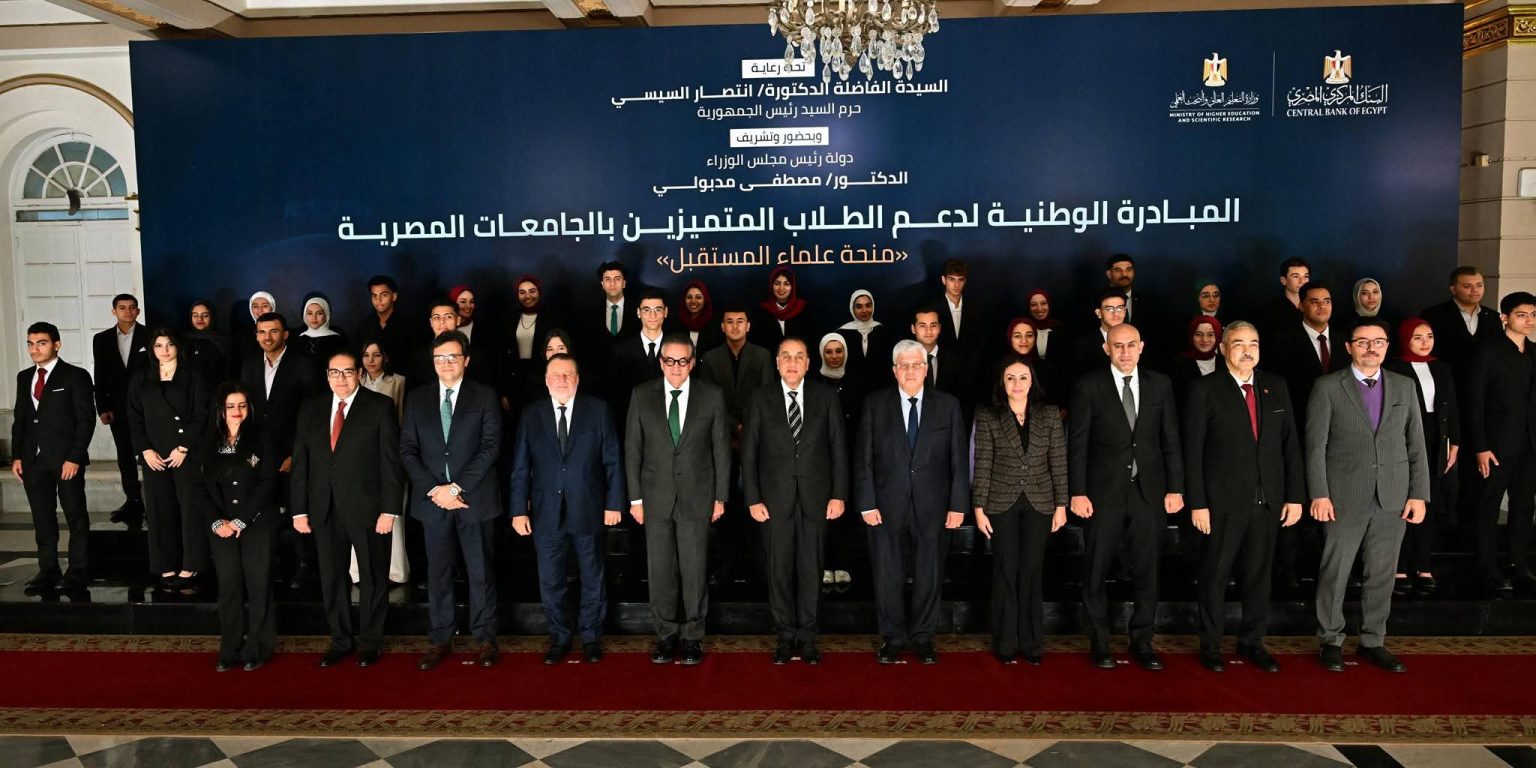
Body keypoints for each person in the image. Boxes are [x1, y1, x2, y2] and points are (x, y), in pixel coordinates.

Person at [1182, 321, 1304, 673]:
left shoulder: (1275, 386)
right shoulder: (1204, 389)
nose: (1247, 350)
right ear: (1223, 349)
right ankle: (1211, 645)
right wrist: (1198, 503)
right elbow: (1193, 452)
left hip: (1267, 501)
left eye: (1254, 343)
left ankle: (1252, 642)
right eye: (1238, 344)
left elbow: (1290, 445)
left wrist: (1295, 496)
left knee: (1258, 576)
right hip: (1221, 502)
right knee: (1215, 575)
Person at [1308, 319, 1429, 674]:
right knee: (1335, 572)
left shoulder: (1404, 386)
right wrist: (1319, 494)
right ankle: (1330, 640)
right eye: (1362, 342)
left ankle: (1373, 640)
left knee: (1382, 574)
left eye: (1378, 341)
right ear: (1349, 347)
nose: (1371, 348)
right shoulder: (1328, 387)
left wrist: (1419, 494)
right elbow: (1315, 447)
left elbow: (1416, 444)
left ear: (1388, 346)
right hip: (1342, 497)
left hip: (1393, 497)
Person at [1068, 323, 1184, 671]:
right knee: (1096, 568)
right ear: (1106, 348)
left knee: (1148, 569)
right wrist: (1077, 492)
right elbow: (1077, 444)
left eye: (1131, 345)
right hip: (1102, 493)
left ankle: (1142, 641)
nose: (1125, 352)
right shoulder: (1088, 386)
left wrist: (1176, 487)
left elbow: (1170, 439)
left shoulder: (1160, 384)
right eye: (1117, 346)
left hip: (1149, 491)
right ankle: (1100, 642)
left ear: (1141, 346)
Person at [855, 339, 968, 664]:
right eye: (903, 365)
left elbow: (959, 460)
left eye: (916, 364)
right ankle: (892, 638)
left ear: (926, 368)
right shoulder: (875, 404)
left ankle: (923, 638)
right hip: (885, 506)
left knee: (928, 575)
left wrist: (958, 504)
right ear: (894, 370)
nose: (910, 371)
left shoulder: (948, 405)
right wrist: (867, 502)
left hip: (934, 506)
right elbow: (863, 458)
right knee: (887, 574)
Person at [291, 350, 404, 669]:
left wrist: (389, 510)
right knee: (332, 578)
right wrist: (299, 510)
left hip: (369, 510)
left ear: (359, 374)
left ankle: (370, 642)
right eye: (334, 372)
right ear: (326, 375)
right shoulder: (310, 408)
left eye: (347, 372)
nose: (340, 379)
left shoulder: (379, 406)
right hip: (323, 510)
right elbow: (301, 462)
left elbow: (391, 462)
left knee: (373, 577)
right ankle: (340, 640)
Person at [510, 353, 625, 665]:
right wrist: (518, 509)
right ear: (546, 381)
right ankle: (559, 638)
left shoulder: (598, 410)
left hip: (589, 508)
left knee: (593, 576)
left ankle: (591, 638)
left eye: (568, 375)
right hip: (545, 512)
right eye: (556, 375)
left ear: (577, 379)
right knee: (551, 580)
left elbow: (612, 460)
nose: (562, 380)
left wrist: (614, 503)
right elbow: (520, 467)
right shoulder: (531, 414)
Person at [741, 337, 849, 664]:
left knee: (811, 570)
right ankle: (785, 637)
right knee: (779, 571)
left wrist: (839, 494)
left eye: (798, 356)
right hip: (773, 502)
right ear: (776, 363)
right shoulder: (760, 398)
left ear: (808, 363)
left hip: (817, 499)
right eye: (786, 356)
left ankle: (808, 636)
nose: (792, 362)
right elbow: (749, 453)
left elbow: (838, 450)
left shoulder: (826, 397)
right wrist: (753, 498)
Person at [625, 334, 731, 666]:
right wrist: (635, 499)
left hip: (697, 497)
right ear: (661, 363)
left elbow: (721, 450)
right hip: (654, 498)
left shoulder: (711, 396)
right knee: (660, 570)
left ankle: (692, 637)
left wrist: (720, 497)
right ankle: (666, 635)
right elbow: (632, 450)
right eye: (669, 361)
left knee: (695, 569)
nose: (675, 367)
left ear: (692, 363)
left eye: (682, 361)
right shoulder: (641, 395)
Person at [400, 331, 503, 670]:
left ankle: (485, 638)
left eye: (453, 357)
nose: (446, 363)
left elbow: (490, 447)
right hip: (433, 502)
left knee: (480, 571)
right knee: (438, 572)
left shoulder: (484, 395)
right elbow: (408, 450)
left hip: (474, 499)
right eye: (439, 358)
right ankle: (440, 638)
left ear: (466, 360)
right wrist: (436, 490)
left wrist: (456, 488)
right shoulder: (417, 399)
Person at [971, 354, 1067, 666]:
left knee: (1031, 571)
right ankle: (1005, 643)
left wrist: (1061, 505)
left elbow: (1058, 462)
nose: (1017, 383)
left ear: (1032, 381)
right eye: (1010, 378)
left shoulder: (1049, 415)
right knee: (1005, 570)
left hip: (1041, 502)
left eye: (1023, 377)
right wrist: (979, 507)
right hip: (1000, 503)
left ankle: (1032, 644)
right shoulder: (988, 416)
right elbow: (983, 463)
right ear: (1002, 382)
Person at [239, 312, 322, 588]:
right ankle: (271, 564)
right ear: (256, 335)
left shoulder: (303, 365)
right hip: (259, 453)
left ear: (285, 334)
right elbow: (247, 412)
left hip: (292, 452)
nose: (267, 337)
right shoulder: (249, 366)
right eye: (262, 332)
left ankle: (304, 565)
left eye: (273, 331)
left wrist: (295, 454)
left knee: (298, 507)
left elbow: (312, 413)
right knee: (265, 509)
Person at [11, 322, 94, 593]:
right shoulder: (24, 377)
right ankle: (48, 569)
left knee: (75, 515)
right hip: (33, 460)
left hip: (66, 459)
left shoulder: (75, 376)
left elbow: (86, 420)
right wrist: (17, 456)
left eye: (42, 343)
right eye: (31, 343)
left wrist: (75, 457)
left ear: (56, 344)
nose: (35, 349)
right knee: (42, 517)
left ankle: (78, 570)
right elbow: (20, 420)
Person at [201, 383, 278, 672]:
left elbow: (267, 482)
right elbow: (198, 487)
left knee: (258, 584)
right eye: (231, 406)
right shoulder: (208, 439)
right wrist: (217, 521)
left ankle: (257, 647)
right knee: (229, 586)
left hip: (255, 522)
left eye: (242, 405)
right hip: (221, 527)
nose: (237, 411)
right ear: (221, 410)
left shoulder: (262, 437)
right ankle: (229, 648)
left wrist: (242, 519)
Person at [127, 328, 211, 590]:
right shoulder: (141, 378)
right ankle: (165, 564)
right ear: (152, 349)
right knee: (159, 508)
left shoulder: (193, 376)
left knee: (189, 508)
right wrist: (145, 450)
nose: (164, 350)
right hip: (154, 454)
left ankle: (191, 563)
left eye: (169, 344)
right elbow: (134, 417)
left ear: (178, 347)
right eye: (158, 345)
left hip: (186, 453)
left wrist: (184, 447)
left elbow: (202, 413)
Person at [1464, 292, 1536, 595]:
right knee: (1488, 505)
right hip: (1495, 445)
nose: (1529, 320)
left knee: (1524, 505)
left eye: (1533, 315)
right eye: (1522, 314)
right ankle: (1487, 568)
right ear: (1505, 318)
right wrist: (1481, 446)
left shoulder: (1534, 352)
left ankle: (1519, 564)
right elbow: (1475, 403)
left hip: (1530, 444)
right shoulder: (1487, 352)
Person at [1384, 318, 1459, 597]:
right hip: (1404, 438)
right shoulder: (1393, 368)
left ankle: (1423, 566)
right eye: (1418, 337)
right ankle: (1399, 567)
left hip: (1436, 438)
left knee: (1429, 501)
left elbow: (1452, 406)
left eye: (1429, 336)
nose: (1425, 342)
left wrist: (1455, 442)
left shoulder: (1441, 367)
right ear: (1406, 339)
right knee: (1403, 503)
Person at [353, 340, 409, 586]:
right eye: (366, 355)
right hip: (361, 458)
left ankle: (396, 572)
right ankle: (357, 572)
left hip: (389, 454)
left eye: (376, 355)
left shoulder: (398, 382)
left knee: (392, 515)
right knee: (358, 516)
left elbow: (402, 419)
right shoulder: (356, 380)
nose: (371, 360)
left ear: (384, 357)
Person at [91, 293, 148, 527]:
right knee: (124, 455)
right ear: (114, 311)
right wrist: (102, 407)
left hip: (146, 406)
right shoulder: (101, 339)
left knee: (148, 452)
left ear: (138, 311)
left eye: (132, 307)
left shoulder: (150, 335)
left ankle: (154, 501)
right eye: (122, 307)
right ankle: (133, 500)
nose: (127, 311)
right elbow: (100, 375)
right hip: (117, 407)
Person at [814, 332, 860, 588]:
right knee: (822, 513)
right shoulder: (814, 383)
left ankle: (843, 563)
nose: (834, 356)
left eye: (838, 351)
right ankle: (824, 564)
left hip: (849, 455)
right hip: (821, 457)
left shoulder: (856, 381)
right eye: (829, 351)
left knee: (845, 511)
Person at [698, 306, 776, 431]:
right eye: (730, 322)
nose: (735, 326)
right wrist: (734, 426)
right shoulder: (710, 358)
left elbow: (767, 397)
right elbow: (707, 400)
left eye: (740, 321)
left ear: (748, 326)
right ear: (723, 327)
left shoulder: (762, 356)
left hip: (755, 428)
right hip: (719, 427)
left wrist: (749, 426)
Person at [1421, 267, 1501, 373]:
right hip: (1447, 377)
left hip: (1485, 379)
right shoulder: (1434, 315)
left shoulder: (1493, 317)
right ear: (1453, 289)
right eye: (1467, 286)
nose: (1475, 290)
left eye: (1479, 285)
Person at [610, 289, 670, 414]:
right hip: (631, 417)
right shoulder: (621, 351)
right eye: (647, 310)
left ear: (665, 312)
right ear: (638, 312)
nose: (652, 315)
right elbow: (616, 395)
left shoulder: (676, 348)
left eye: (658, 310)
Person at [911, 307, 973, 418]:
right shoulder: (902, 360)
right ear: (913, 329)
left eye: (933, 325)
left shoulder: (956, 360)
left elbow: (963, 398)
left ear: (939, 328)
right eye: (922, 326)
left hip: (946, 421)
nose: (929, 331)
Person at [503, 276, 554, 406]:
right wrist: (504, 391)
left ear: (539, 292)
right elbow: (502, 356)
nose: (527, 296)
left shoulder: (551, 317)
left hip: (542, 378)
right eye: (522, 292)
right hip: (515, 379)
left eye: (532, 291)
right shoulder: (510, 317)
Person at [838, 288, 895, 393]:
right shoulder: (841, 334)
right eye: (859, 306)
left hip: (880, 392)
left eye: (868, 305)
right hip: (850, 392)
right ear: (852, 308)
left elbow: (889, 364)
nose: (864, 310)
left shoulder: (884, 332)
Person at [751, 266, 814, 352]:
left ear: (793, 286)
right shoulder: (761, 312)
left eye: (786, 284)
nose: (781, 288)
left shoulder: (803, 309)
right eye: (777, 284)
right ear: (771, 286)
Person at [1003, 317, 1062, 406]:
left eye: (1029, 335)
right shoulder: (1000, 369)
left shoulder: (1048, 368)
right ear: (1010, 338)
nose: (1024, 340)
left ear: (1035, 338)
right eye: (1017, 336)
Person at [1071, 289, 1129, 379]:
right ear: (1098, 313)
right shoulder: (1084, 344)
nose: (1116, 313)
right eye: (1109, 309)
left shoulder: (1136, 339)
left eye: (1120, 308)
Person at [355, 275, 409, 369]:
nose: (378, 300)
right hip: (371, 377)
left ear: (394, 296)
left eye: (384, 295)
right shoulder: (365, 326)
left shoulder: (409, 325)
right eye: (374, 295)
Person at [1171, 316, 1223, 406]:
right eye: (1198, 334)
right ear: (1191, 336)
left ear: (1217, 336)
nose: (1204, 340)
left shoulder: (1225, 362)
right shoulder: (1179, 364)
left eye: (1210, 335)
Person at [936, 259, 985, 352]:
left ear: (965, 281)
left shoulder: (976, 308)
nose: (956, 285)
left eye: (960, 280)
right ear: (943, 280)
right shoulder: (932, 308)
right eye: (952, 279)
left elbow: (981, 343)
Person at [297, 295, 349, 379]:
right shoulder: (298, 339)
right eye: (309, 313)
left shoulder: (337, 339)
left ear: (326, 315)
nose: (314, 318)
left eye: (319, 313)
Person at [185, 300, 234, 384]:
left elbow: (229, 373)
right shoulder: (183, 340)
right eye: (195, 315)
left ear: (212, 317)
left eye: (205, 315)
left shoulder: (223, 341)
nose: (199, 319)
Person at [1264, 257, 1312, 337]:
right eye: (1296, 276)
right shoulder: (1271, 311)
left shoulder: (1314, 306)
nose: (1302, 281)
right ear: (1283, 280)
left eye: (1306, 276)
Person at [675, 280, 723, 354]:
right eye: (689, 297)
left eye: (698, 297)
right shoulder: (676, 324)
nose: (693, 301)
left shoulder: (715, 325)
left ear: (705, 299)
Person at [1025, 289, 1064, 360]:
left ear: (1049, 305)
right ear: (1028, 308)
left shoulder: (1059, 328)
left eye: (1043, 303)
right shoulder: (1023, 330)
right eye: (1034, 305)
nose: (1039, 308)